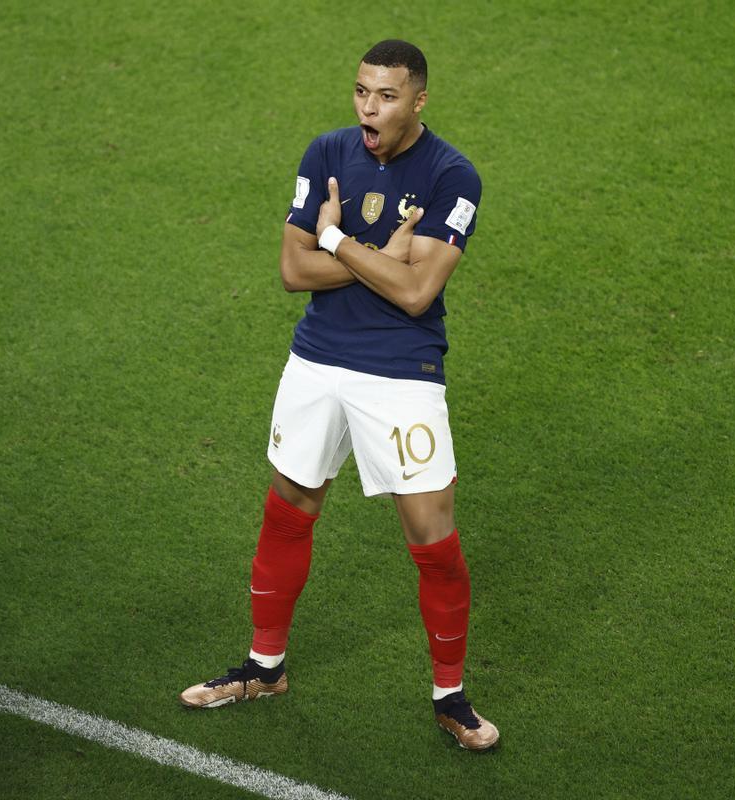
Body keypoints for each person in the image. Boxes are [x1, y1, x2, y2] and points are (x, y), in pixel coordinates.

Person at [179, 40, 498, 751]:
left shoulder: (454, 176)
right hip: (318, 361)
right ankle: (265, 668)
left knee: (431, 534)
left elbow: (418, 293)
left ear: (418, 101)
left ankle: (452, 696)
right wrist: (383, 250)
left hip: (401, 371)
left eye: (385, 97)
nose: (368, 109)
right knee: (290, 505)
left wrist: (336, 235)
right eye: (361, 92)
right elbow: (295, 271)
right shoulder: (325, 152)